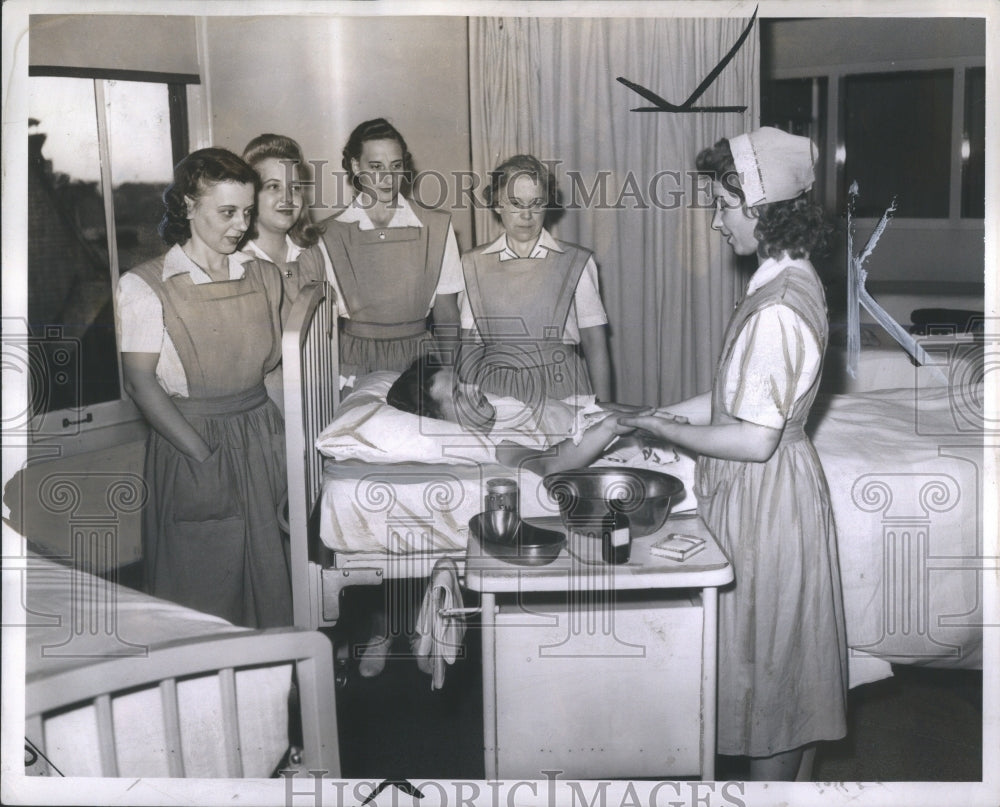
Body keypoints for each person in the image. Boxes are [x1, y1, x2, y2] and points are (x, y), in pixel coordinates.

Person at [619, 127, 847, 780]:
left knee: (769, 685)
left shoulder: (777, 307)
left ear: (762, 209)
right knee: (781, 675)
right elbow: (735, 396)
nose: (717, 223)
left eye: (724, 205)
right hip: (773, 489)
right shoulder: (786, 279)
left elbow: (753, 436)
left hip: (766, 498)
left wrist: (663, 432)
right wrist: (655, 414)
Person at [117, 147, 292, 628]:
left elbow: (271, 371)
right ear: (189, 206)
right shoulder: (145, 286)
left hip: (262, 437)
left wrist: (288, 448)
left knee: (276, 579)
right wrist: (200, 455)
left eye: (248, 212)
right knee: (203, 589)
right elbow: (139, 381)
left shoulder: (265, 276)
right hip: (192, 443)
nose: (241, 225)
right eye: (228, 212)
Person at [317, 118, 463, 390]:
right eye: (376, 167)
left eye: (396, 166)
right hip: (353, 363)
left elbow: (447, 315)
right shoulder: (329, 233)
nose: (387, 178)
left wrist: (450, 377)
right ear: (355, 167)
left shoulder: (437, 227)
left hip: (420, 361)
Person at [459, 154, 612, 405]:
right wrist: (464, 404)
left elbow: (596, 343)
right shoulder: (473, 264)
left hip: (563, 387)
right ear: (497, 204)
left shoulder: (577, 262)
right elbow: (470, 345)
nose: (527, 215)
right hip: (497, 392)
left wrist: (604, 409)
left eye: (536, 203)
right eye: (516, 203)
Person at [387, 356, 635, 476]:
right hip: (616, 438)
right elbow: (550, 464)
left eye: (463, 381)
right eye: (459, 394)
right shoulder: (499, 446)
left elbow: (575, 407)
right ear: (440, 422)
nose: (474, 388)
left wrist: (642, 414)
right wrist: (611, 426)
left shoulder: (501, 407)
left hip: (613, 419)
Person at [241, 133, 329, 323]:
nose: (288, 198)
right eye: (274, 186)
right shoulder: (238, 263)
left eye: (295, 188)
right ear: (250, 196)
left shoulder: (312, 255)